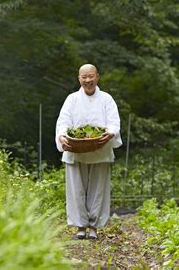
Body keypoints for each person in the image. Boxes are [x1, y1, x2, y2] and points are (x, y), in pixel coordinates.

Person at [55, 64, 122, 240]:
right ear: (79, 79)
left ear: (97, 76)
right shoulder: (71, 99)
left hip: (100, 148)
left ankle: (93, 227)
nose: (88, 80)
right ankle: (80, 226)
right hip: (75, 149)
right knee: (76, 189)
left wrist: (110, 133)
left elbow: (114, 122)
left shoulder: (107, 99)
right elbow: (63, 122)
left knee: (98, 189)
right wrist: (62, 137)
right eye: (84, 77)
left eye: (91, 76)